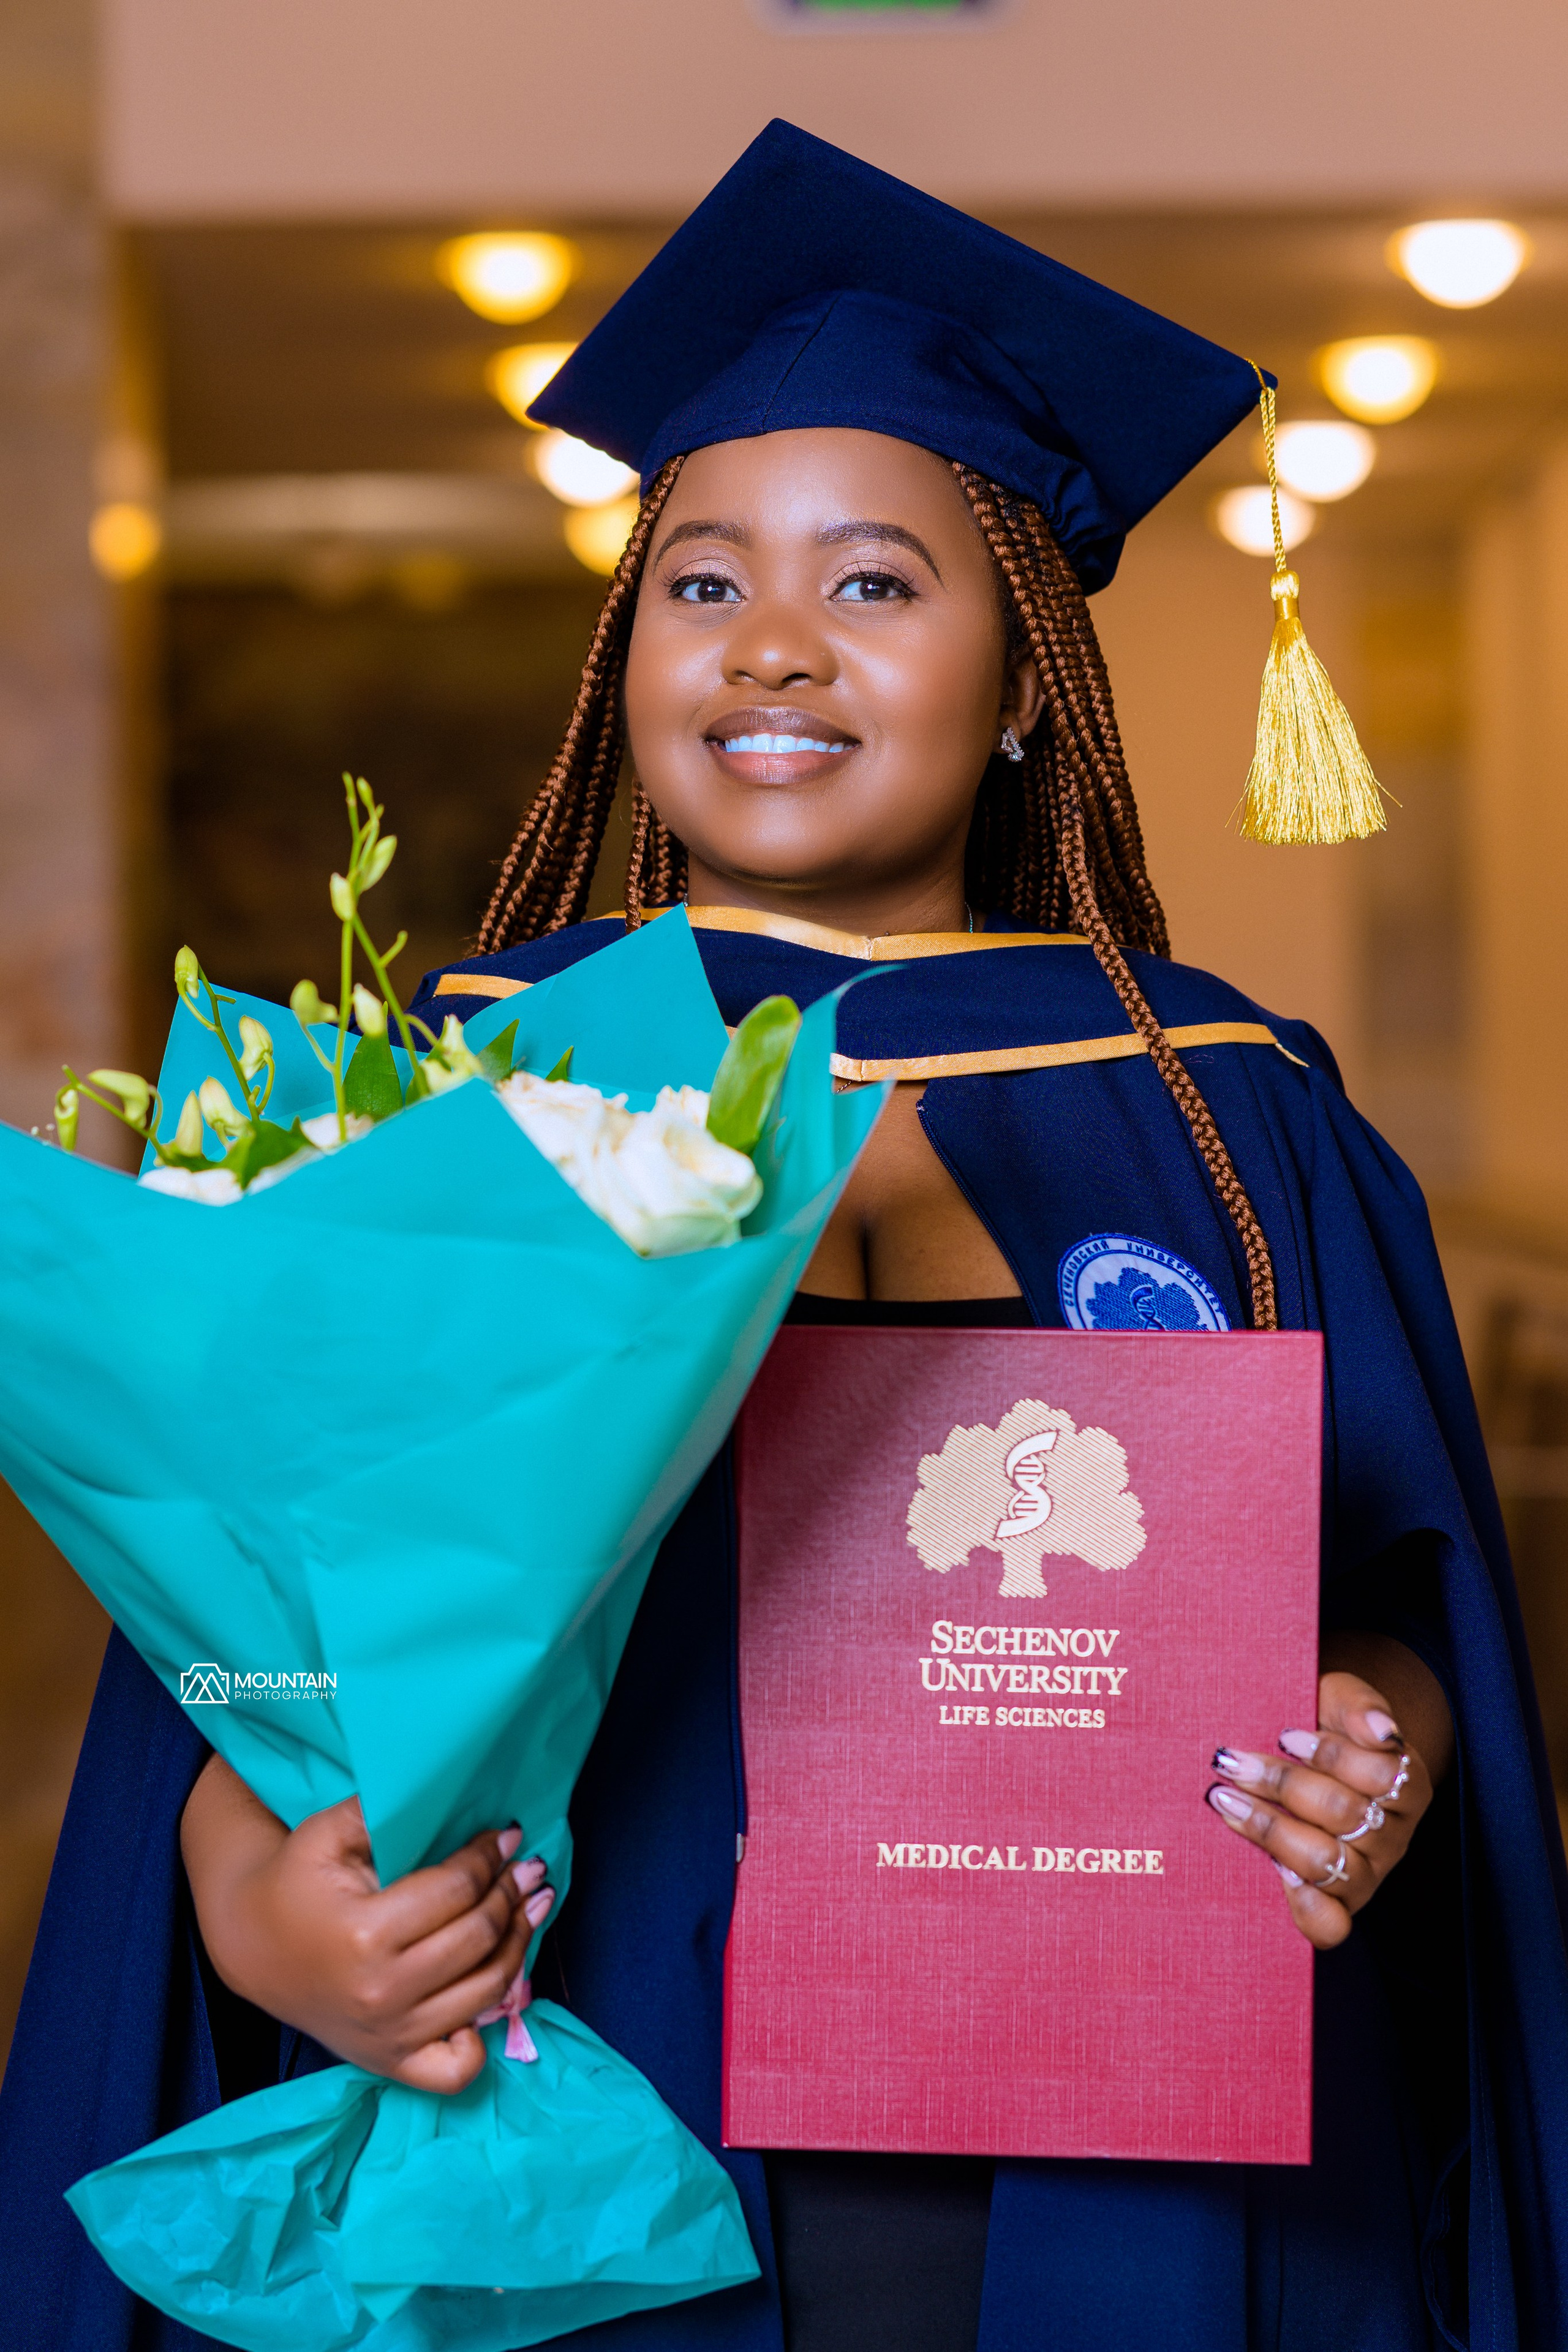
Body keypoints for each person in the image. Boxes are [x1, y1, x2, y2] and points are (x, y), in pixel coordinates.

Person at [4, 119, 1566, 2352]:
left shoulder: (1224, 1116)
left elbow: (1405, 1606)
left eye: (877, 582)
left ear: (1031, 681)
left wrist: (1364, 1759)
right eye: (703, 579)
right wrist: (262, 1911)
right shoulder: (443, 1091)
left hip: (1109, 2146)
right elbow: (243, 1658)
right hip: (590, 2092)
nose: (771, 650)